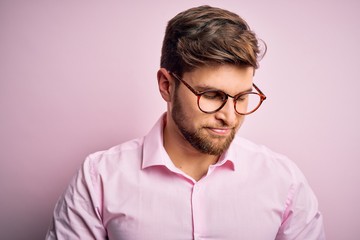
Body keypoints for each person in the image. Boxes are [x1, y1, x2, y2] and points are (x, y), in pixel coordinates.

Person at [46, 5, 325, 240]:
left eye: (242, 97)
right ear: (167, 85)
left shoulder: (283, 181)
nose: (229, 116)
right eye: (212, 95)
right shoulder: (99, 178)